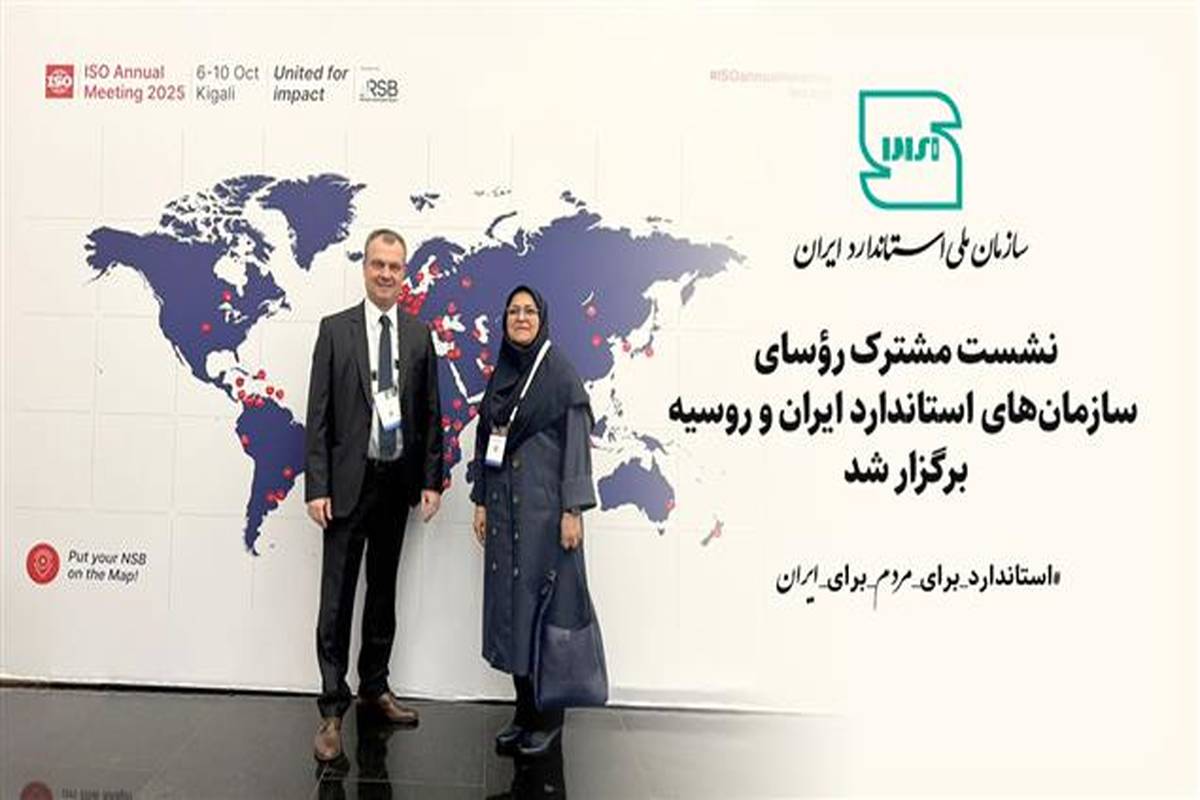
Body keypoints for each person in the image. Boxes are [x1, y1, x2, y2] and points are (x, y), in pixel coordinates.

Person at [305, 228, 444, 762]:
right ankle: (331, 710)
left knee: (383, 593)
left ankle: (375, 687)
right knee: (337, 599)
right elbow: (318, 416)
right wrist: (317, 486)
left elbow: (430, 413)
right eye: (378, 264)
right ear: (364, 267)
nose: (386, 274)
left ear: (404, 274)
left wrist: (430, 479)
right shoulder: (334, 330)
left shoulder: (419, 335)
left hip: (396, 483)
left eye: (395, 266)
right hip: (346, 486)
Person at [470, 285, 597, 758]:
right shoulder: (502, 375)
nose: (520, 318)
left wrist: (572, 510)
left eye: (528, 311)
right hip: (506, 517)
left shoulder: (560, 373)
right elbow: (486, 441)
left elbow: (577, 444)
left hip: (547, 519)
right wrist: (481, 501)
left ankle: (549, 720)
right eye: (513, 311)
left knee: (549, 615)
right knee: (513, 614)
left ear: (542, 318)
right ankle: (524, 712)